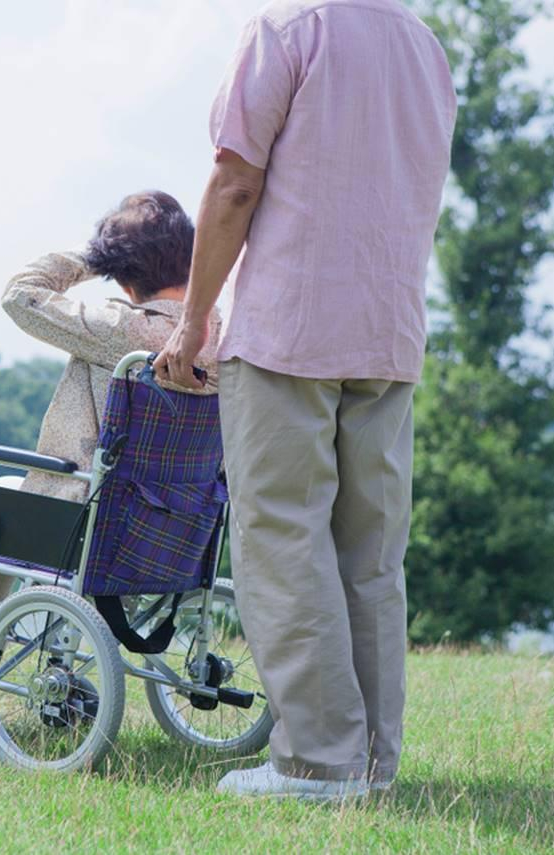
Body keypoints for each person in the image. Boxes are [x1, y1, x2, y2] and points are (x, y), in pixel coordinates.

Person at [155, 0, 456, 801]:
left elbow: (233, 185)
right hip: (389, 336)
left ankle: (319, 764)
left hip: (291, 329)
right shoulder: (425, 48)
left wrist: (191, 323)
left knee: (285, 541)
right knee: (370, 556)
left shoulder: (286, 31)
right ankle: (370, 765)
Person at [0, 191, 221, 684]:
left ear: (120, 270)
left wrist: (91, 256)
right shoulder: (225, 337)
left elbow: (21, 294)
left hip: (90, 519)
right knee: (7, 494)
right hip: (176, 527)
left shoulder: (122, 328)